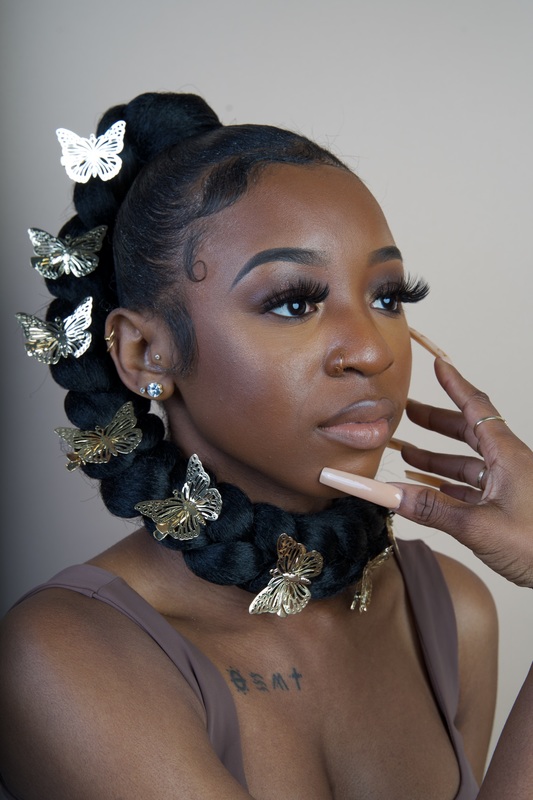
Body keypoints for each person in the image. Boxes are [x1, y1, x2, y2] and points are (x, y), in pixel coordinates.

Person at [0, 91, 531, 800]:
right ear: (146, 353)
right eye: (294, 302)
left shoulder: (450, 612)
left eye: (387, 297)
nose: (372, 350)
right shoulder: (66, 654)